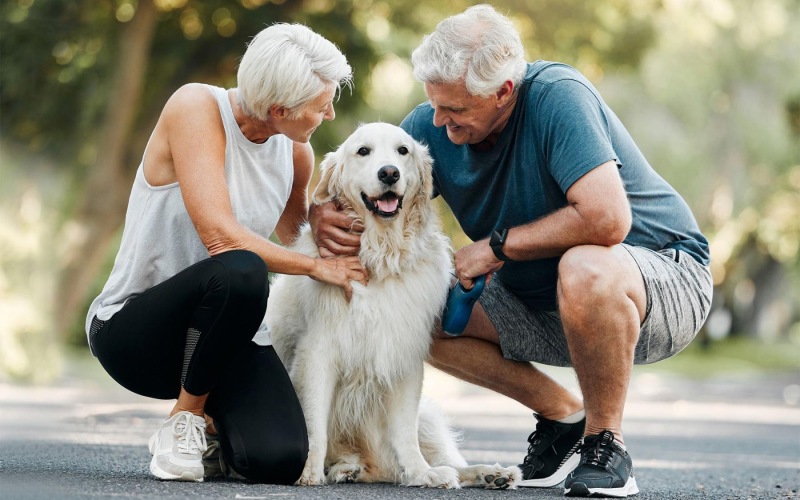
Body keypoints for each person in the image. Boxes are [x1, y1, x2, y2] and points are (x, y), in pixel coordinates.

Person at [310, 5, 712, 498]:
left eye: (455, 110)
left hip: (658, 284)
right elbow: (369, 174)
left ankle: (606, 445)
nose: (438, 121)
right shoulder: (434, 122)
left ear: (503, 92)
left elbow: (608, 219)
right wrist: (319, 213)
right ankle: (563, 415)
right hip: (544, 299)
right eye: (434, 104)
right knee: (420, 315)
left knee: (585, 266)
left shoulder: (557, 97)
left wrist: (496, 247)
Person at [85, 23, 367, 484]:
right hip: (136, 335)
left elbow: (294, 232)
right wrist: (319, 266)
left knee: (279, 460)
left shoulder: (296, 152)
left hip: (223, 341)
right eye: (322, 105)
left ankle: (217, 434)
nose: (331, 114)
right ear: (279, 109)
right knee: (241, 269)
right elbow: (222, 236)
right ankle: (185, 420)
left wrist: (317, 219)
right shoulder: (195, 106)